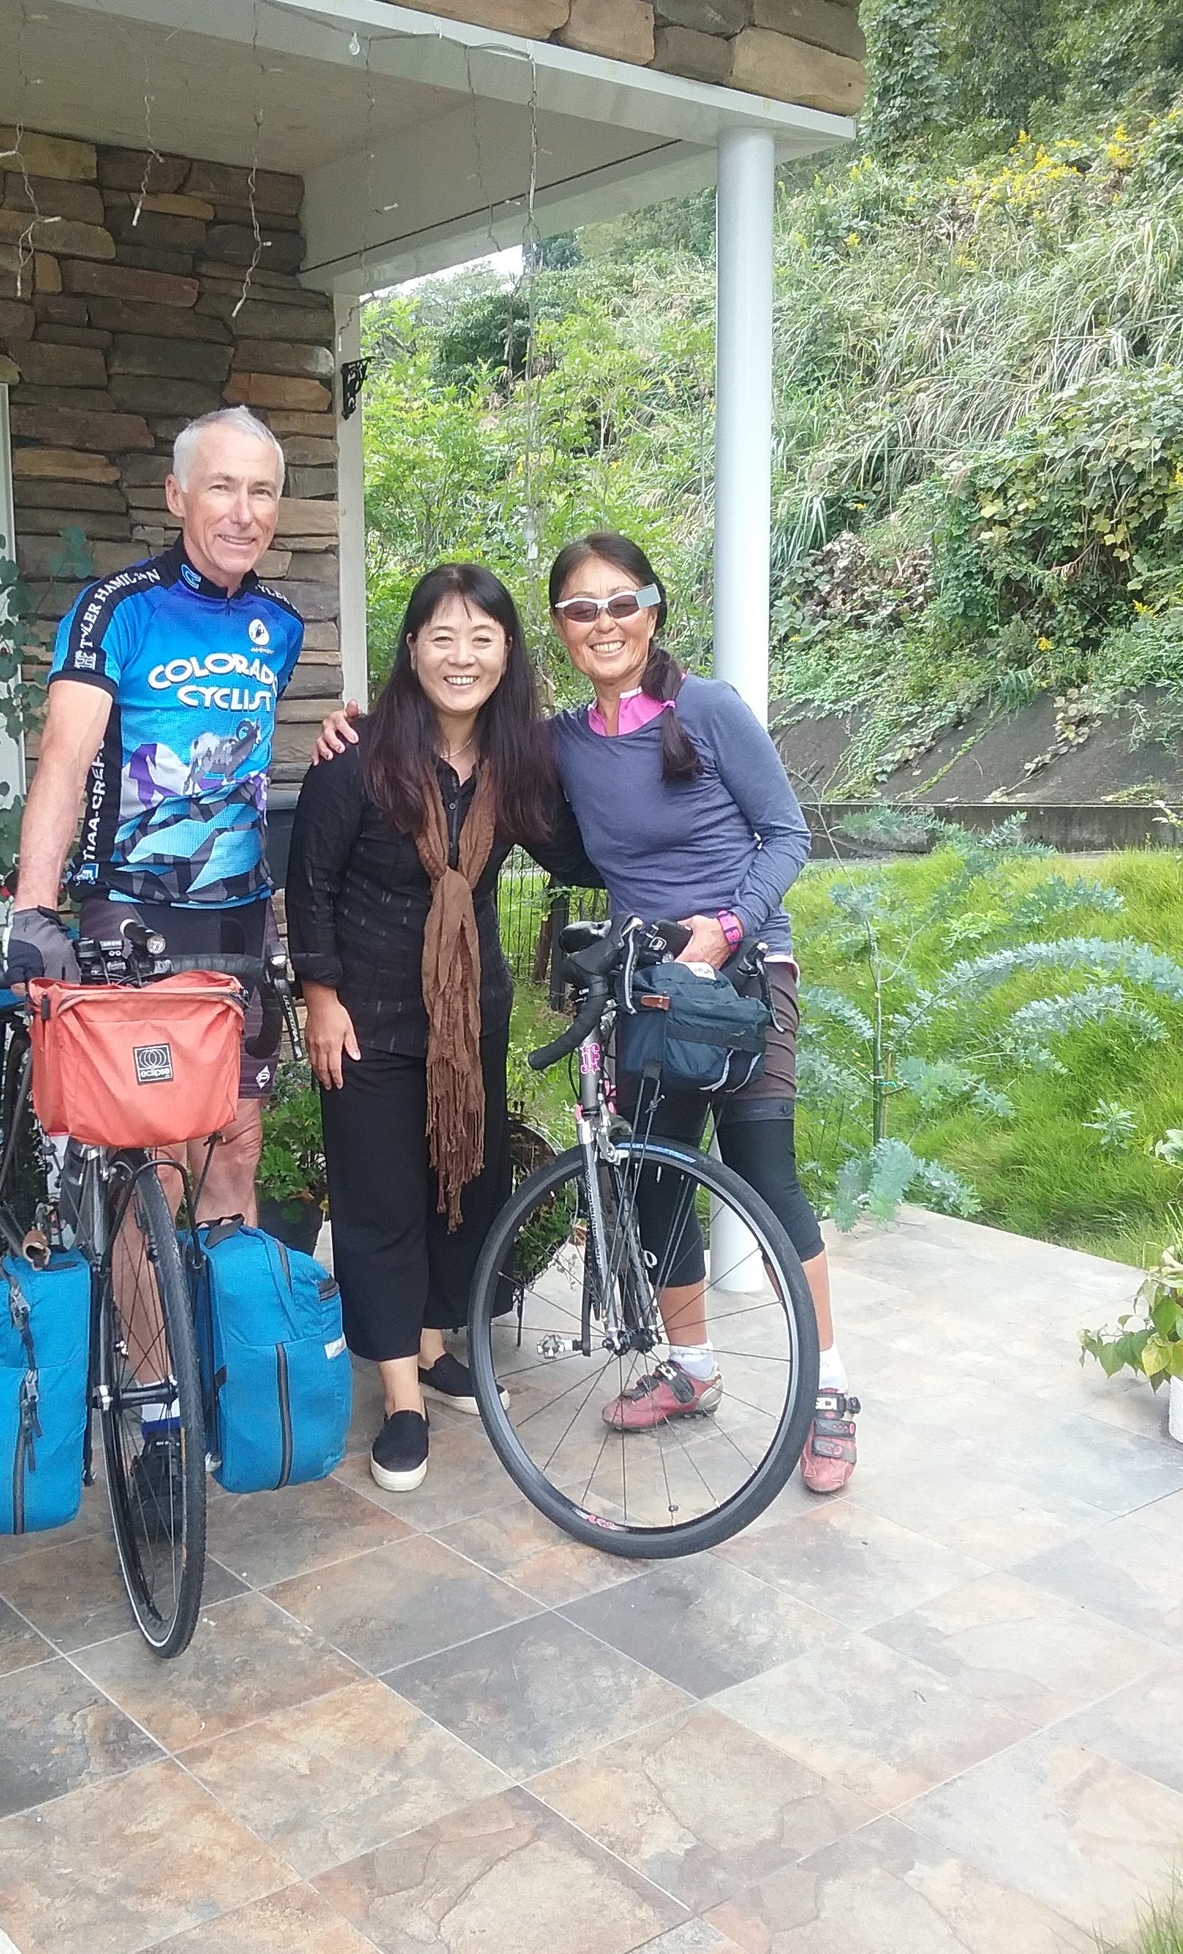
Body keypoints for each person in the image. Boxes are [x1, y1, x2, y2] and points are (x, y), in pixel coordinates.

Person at [315, 534, 857, 1493]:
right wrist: (351, 727)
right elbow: (472, 765)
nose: (603, 624)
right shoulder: (553, 743)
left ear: (653, 609)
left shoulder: (709, 709)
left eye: (621, 603)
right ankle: (691, 1367)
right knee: (656, 1185)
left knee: (767, 1179)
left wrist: (730, 926)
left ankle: (830, 1392)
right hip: (646, 983)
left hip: (741, 975)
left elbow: (786, 834)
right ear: (559, 629)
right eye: (580, 609)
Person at [287, 564, 595, 1493]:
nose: (463, 657)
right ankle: (401, 1400)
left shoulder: (517, 764)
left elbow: (578, 852)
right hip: (367, 1020)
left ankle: (427, 1347)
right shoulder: (356, 756)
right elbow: (310, 885)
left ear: (507, 654)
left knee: (460, 1185)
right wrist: (321, 999)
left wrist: (639, 770)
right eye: (444, 637)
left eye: (482, 639)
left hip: (468, 1022)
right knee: (380, 1204)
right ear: (413, 648)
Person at [6, 405, 304, 1224]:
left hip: (241, 915)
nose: (243, 513)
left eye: (261, 492)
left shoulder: (279, 625)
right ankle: (149, 1318)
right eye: (221, 488)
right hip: (134, 908)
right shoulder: (118, 608)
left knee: (235, 1143)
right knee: (158, 1159)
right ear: (177, 495)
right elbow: (64, 759)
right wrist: (33, 908)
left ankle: (225, 1309)